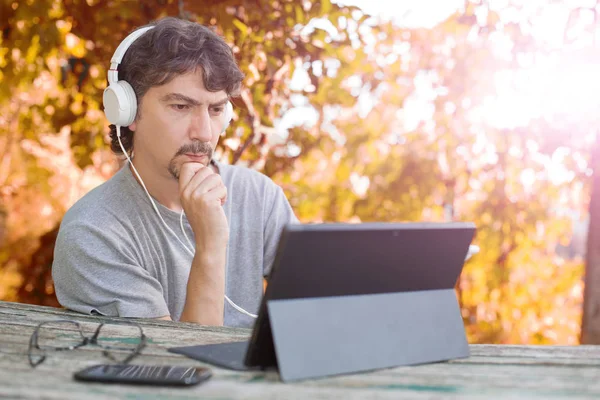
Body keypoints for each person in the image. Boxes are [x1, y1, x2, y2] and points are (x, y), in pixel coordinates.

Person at [51, 17, 298, 328]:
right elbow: (176, 369)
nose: (205, 133)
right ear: (127, 111)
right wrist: (210, 244)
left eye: (216, 109)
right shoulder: (93, 234)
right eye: (181, 106)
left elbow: (319, 310)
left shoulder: (259, 196)